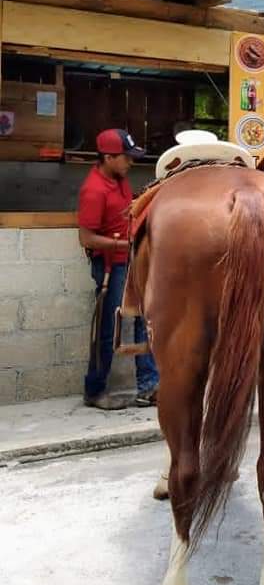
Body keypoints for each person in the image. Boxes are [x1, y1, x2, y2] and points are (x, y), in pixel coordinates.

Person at [78, 129, 159, 410]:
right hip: (110, 265)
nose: (130, 163)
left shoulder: (120, 180)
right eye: (126, 157)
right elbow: (86, 238)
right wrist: (124, 243)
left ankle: (148, 386)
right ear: (109, 157)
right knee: (107, 325)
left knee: (144, 320)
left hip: (132, 260)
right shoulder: (94, 190)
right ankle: (95, 390)